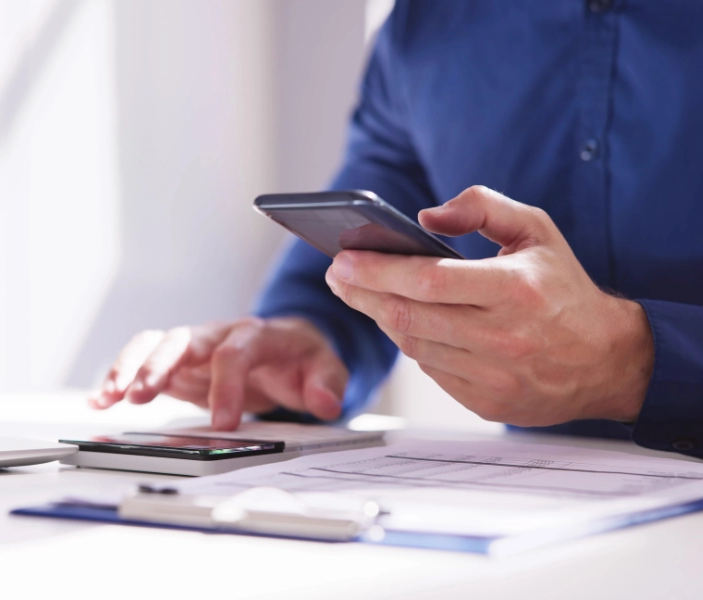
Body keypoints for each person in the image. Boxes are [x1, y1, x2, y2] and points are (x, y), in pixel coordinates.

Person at [89, 1, 703, 459]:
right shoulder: (425, 25)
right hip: (533, 535)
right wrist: (308, 338)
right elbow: (372, 231)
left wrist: (634, 362)